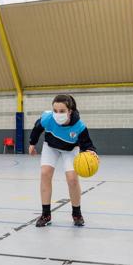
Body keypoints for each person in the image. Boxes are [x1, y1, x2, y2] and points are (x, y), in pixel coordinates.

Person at [28, 94, 97, 227]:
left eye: (62, 111)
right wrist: (32, 143)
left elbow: (87, 144)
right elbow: (37, 129)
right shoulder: (48, 118)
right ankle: (46, 214)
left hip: (70, 149)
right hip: (50, 147)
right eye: (55, 111)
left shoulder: (79, 126)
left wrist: (91, 152)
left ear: (69, 111)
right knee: (45, 174)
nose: (57, 114)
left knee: (72, 179)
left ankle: (76, 214)